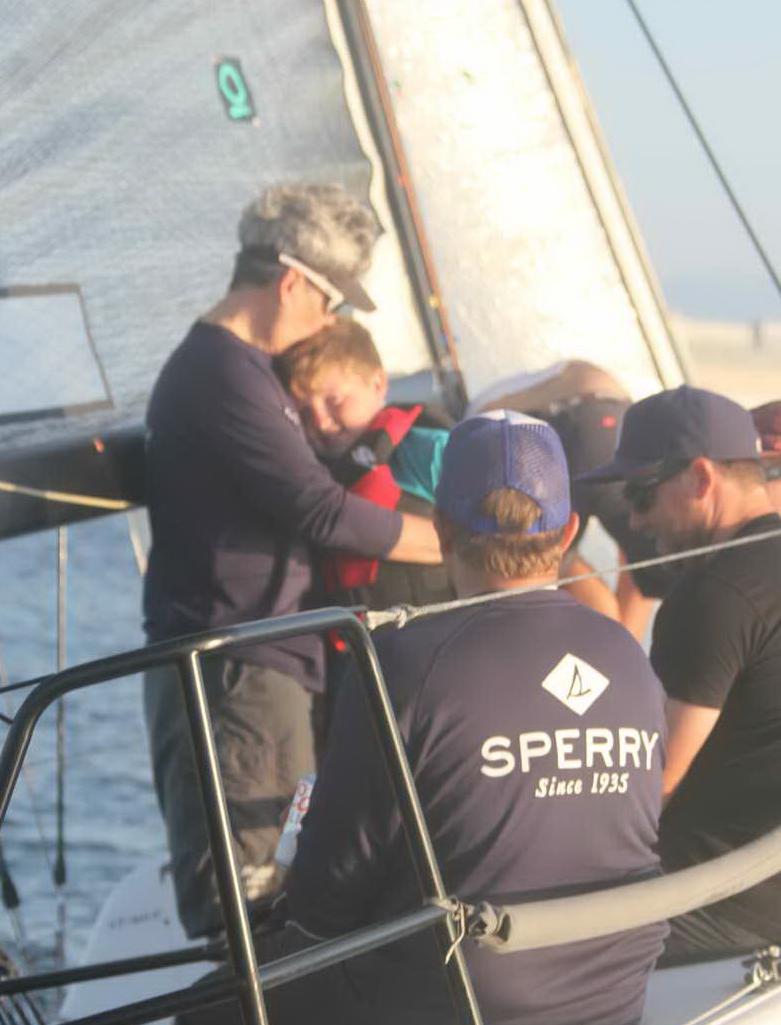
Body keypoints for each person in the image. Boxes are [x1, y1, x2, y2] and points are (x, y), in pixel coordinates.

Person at [170, 410, 667, 1025]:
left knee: (201, 1024)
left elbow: (323, 908)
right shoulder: (626, 652)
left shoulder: (400, 663)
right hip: (613, 994)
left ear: (440, 530)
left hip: (463, 1019)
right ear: (570, 530)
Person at [142, 182, 440, 938]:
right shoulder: (221, 373)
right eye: (331, 302)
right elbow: (319, 510)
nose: (331, 321)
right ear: (292, 283)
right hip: (234, 673)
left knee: (288, 879)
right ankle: (239, 1015)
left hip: (264, 670)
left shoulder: (244, 372)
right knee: (248, 905)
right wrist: (456, 544)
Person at [579, 385, 781, 962]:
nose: (635, 520)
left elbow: (653, 785)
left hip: (717, 904)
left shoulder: (711, 596)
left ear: (700, 477)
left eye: (641, 493)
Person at [467, 360, 666, 638]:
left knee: (557, 561)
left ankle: (618, 644)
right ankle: (619, 647)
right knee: (638, 563)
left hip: (589, 412)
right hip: (588, 418)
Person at [275, 316, 454, 613]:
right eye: (305, 414)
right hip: (363, 637)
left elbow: (506, 542)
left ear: (377, 383)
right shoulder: (309, 480)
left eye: (335, 401)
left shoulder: (433, 452)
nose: (321, 422)